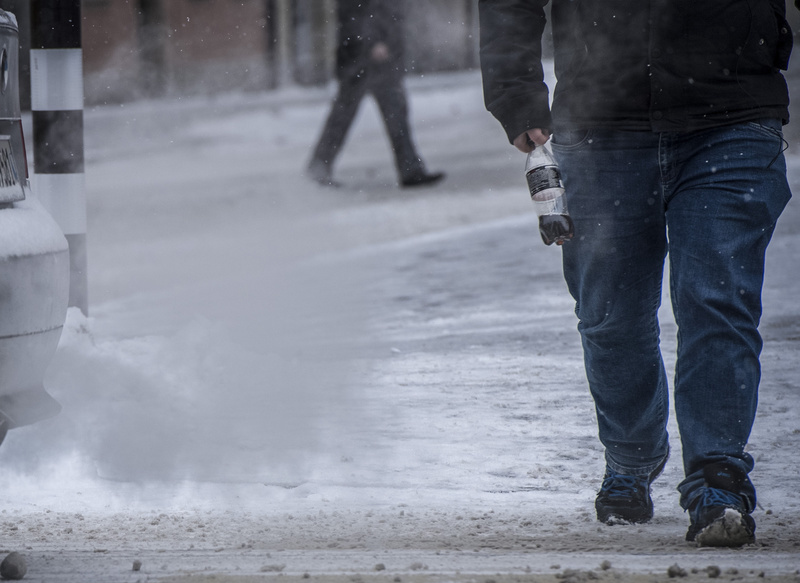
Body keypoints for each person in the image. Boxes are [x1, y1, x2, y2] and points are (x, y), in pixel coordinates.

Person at [479, 0, 793, 547]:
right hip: (600, 121)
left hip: (733, 112)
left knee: (716, 302)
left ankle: (718, 477)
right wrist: (515, 91)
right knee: (609, 315)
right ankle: (630, 455)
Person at [306, 0, 444, 188]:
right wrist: (373, 42)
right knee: (346, 114)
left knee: (392, 112)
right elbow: (355, 13)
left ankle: (410, 169)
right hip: (363, 57)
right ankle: (319, 166)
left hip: (376, 57)